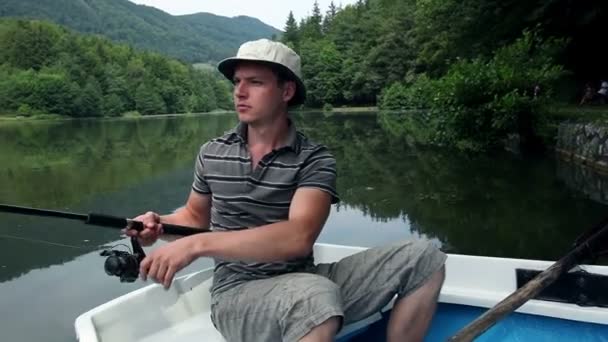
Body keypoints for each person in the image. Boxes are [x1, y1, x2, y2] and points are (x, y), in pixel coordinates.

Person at [126, 39, 446, 342]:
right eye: (237, 82)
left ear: (287, 90)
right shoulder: (212, 153)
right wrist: (158, 225)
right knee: (313, 297)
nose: (240, 92)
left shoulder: (314, 159)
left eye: (255, 82)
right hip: (237, 293)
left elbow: (298, 237)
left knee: (424, 257)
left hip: (306, 279)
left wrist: (198, 245)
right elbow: (194, 215)